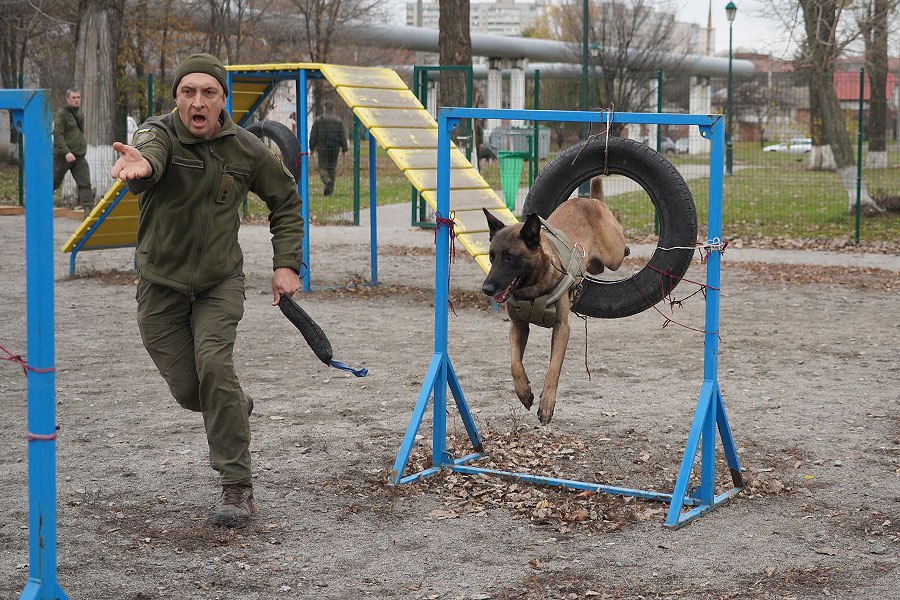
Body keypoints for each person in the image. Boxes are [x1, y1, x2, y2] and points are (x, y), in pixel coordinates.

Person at [110, 53, 304, 528]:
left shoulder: (246, 149)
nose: (197, 101)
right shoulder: (156, 135)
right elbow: (149, 158)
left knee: (215, 368)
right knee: (188, 389)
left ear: (223, 99)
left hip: (220, 283)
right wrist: (142, 167)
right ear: (176, 97)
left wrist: (285, 265)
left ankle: (237, 486)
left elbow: (286, 201)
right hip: (160, 286)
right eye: (188, 92)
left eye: (209, 92)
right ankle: (234, 406)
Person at [53, 88, 94, 213]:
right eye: (73, 98)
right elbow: (58, 135)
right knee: (52, 182)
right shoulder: (61, 114)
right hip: (62, 156)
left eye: (78, 97)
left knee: (85, 182)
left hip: (79, 156)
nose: (76, 100)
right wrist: (66, 152)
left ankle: (88, 211)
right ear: (67, 99)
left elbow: (79, 133)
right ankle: (37, 205)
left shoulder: (80, 114)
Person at [308, 101, 347, 196]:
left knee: (321, 167)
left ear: (324, 108)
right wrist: (344, 149)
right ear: (333, 109)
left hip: (322, 147)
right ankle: (330, 191)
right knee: (332, 168)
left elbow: (313, 135)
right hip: (335, 148)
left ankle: (327, 181)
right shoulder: (338, 120)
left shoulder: (318, 120)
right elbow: (343, 135)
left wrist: (311, 148)